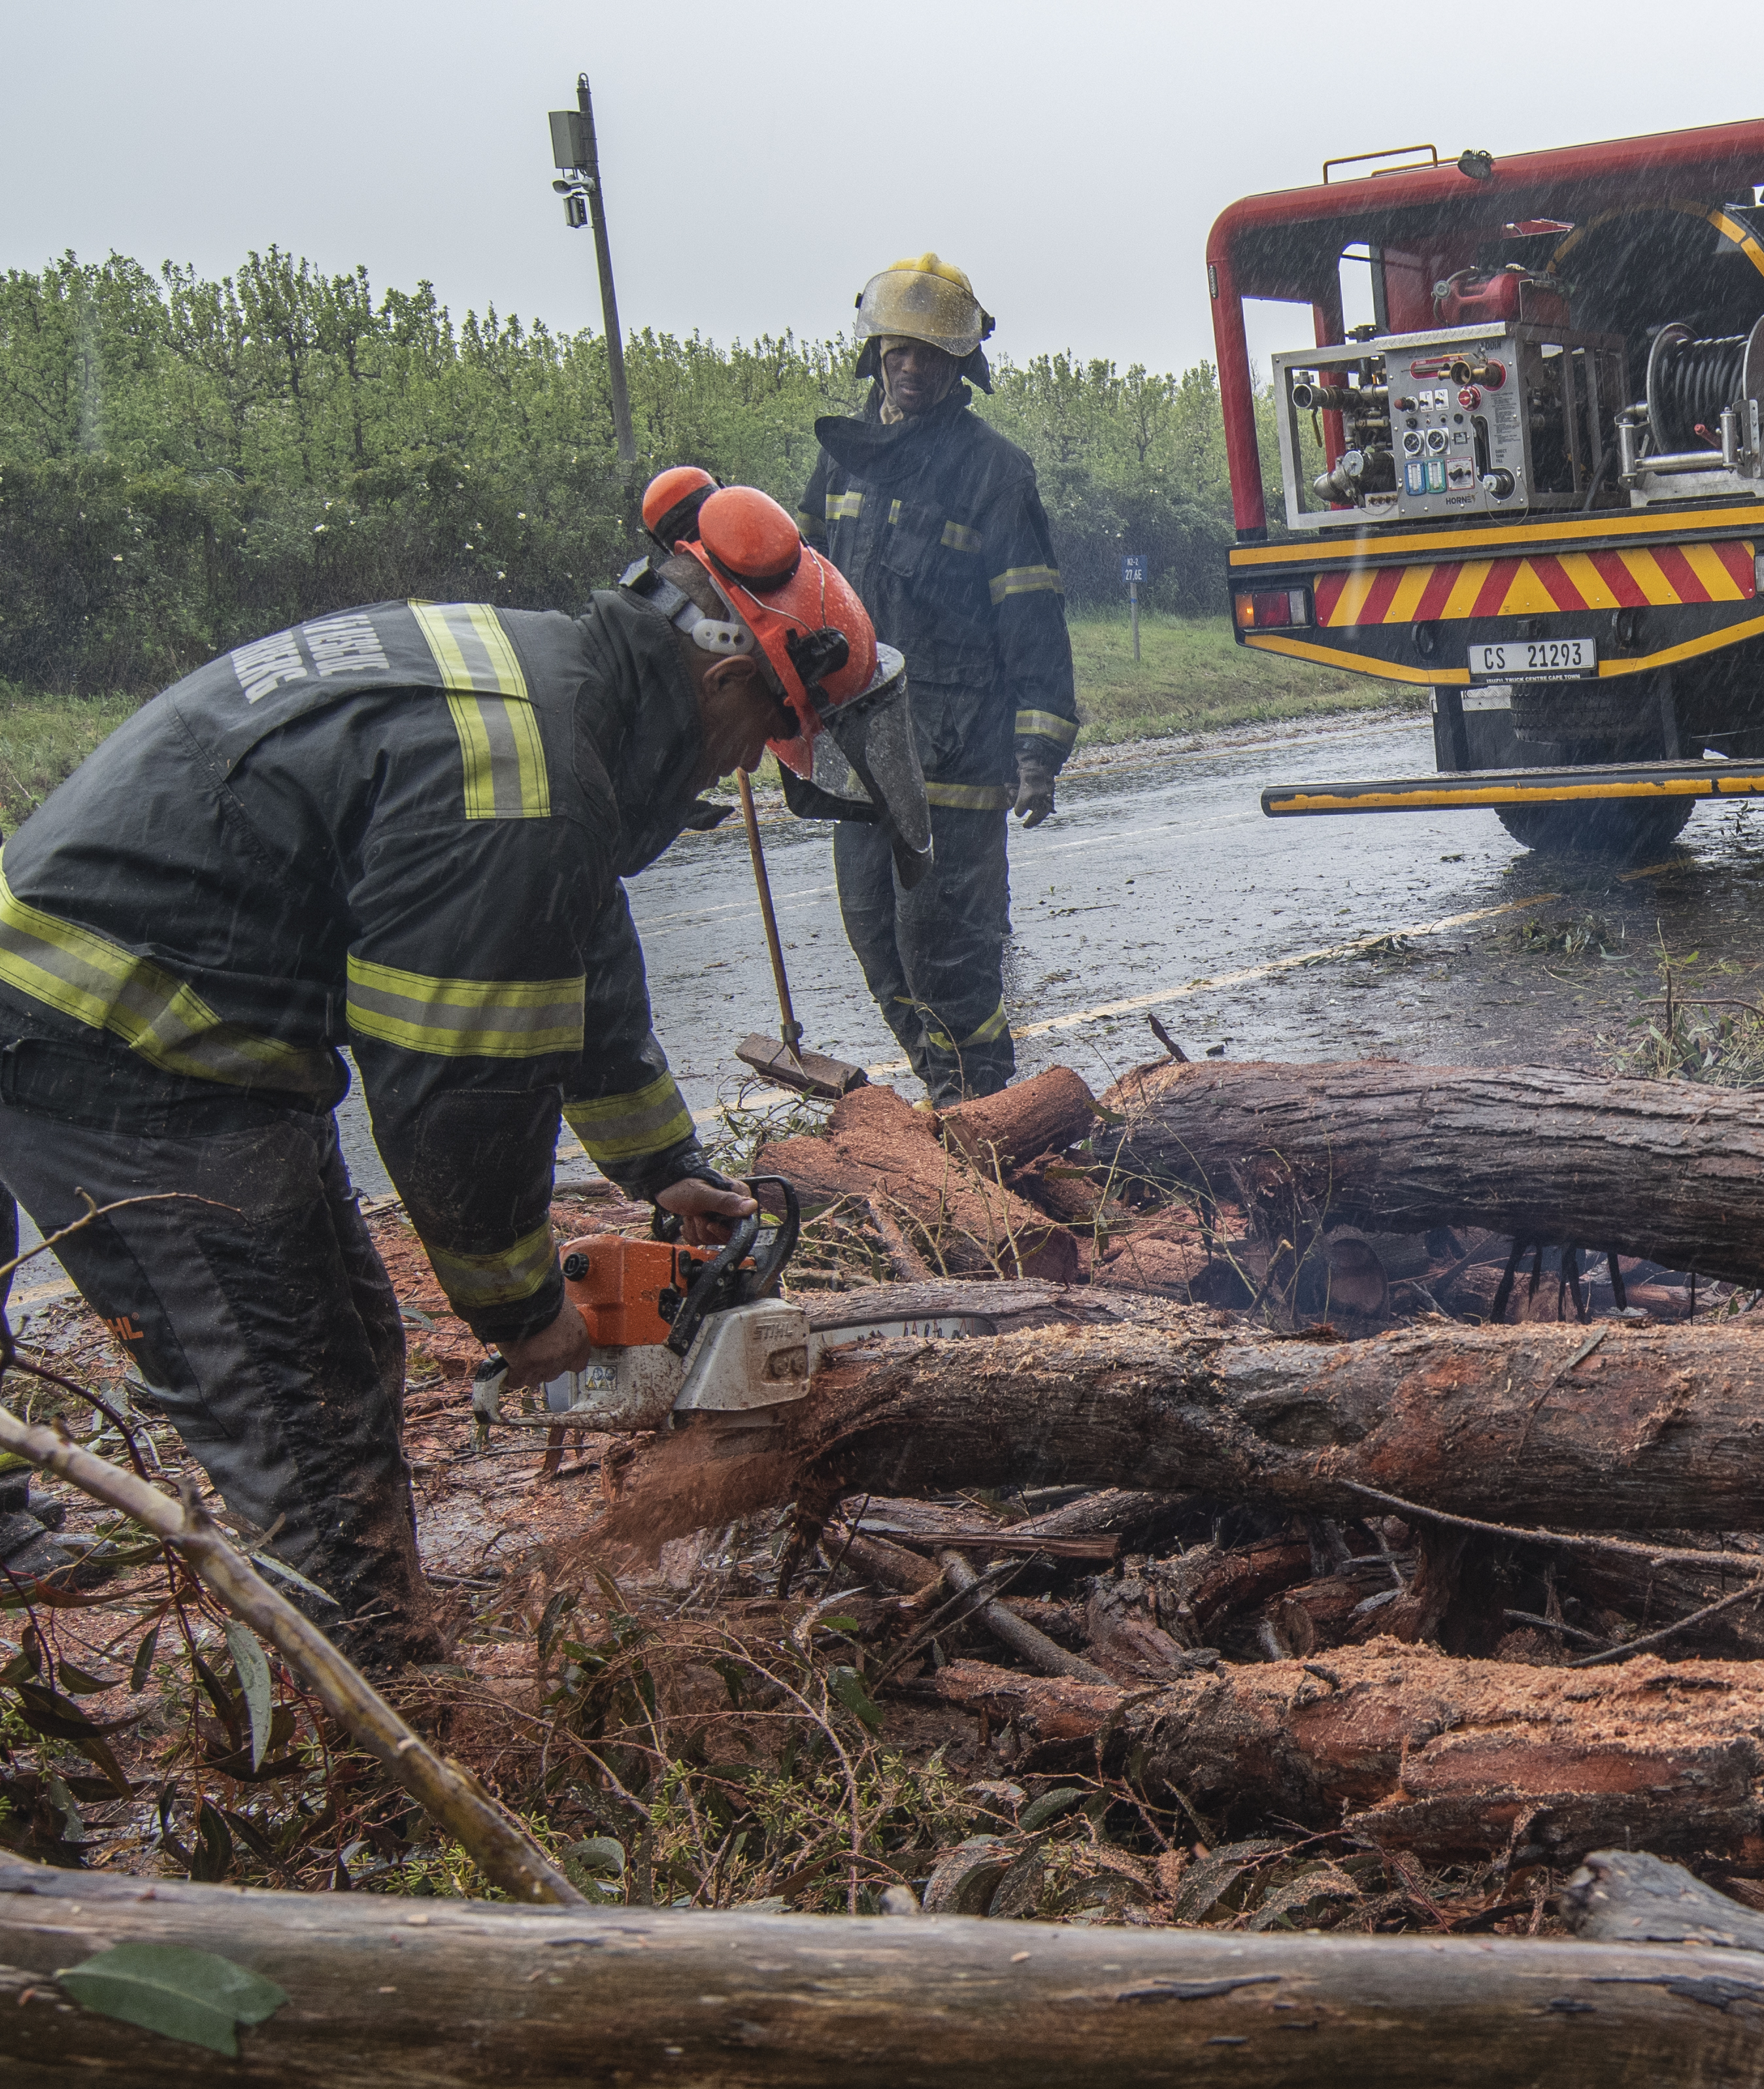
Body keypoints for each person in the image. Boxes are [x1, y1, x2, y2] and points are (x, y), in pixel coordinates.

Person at [0, 481, 932, 1663]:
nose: (748, 764)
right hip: (114, 1047)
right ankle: (383, 1734)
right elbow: (455, 1095)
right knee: (299, 1394)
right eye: (767, 733)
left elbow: (578, 949)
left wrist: (665, 1166)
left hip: (160, 1018)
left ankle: (357, 1647)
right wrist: (525, 1309)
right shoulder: (526, 782)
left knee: (345, 1343)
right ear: (725, 675)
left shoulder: (555, 702)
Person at [797, 253, 1078, 1104]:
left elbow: (1031, 615)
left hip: (955, 749)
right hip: (856, 745)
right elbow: (796, 592)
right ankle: (948, 1102)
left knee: (945, 951)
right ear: (874, 353)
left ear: (961, 366)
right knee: (876, 939)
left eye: (928, 354)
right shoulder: (840, 461)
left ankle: (988, 1110)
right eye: (896, 350)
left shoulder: (992, 470)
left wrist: (1038, 748)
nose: (909, 367)